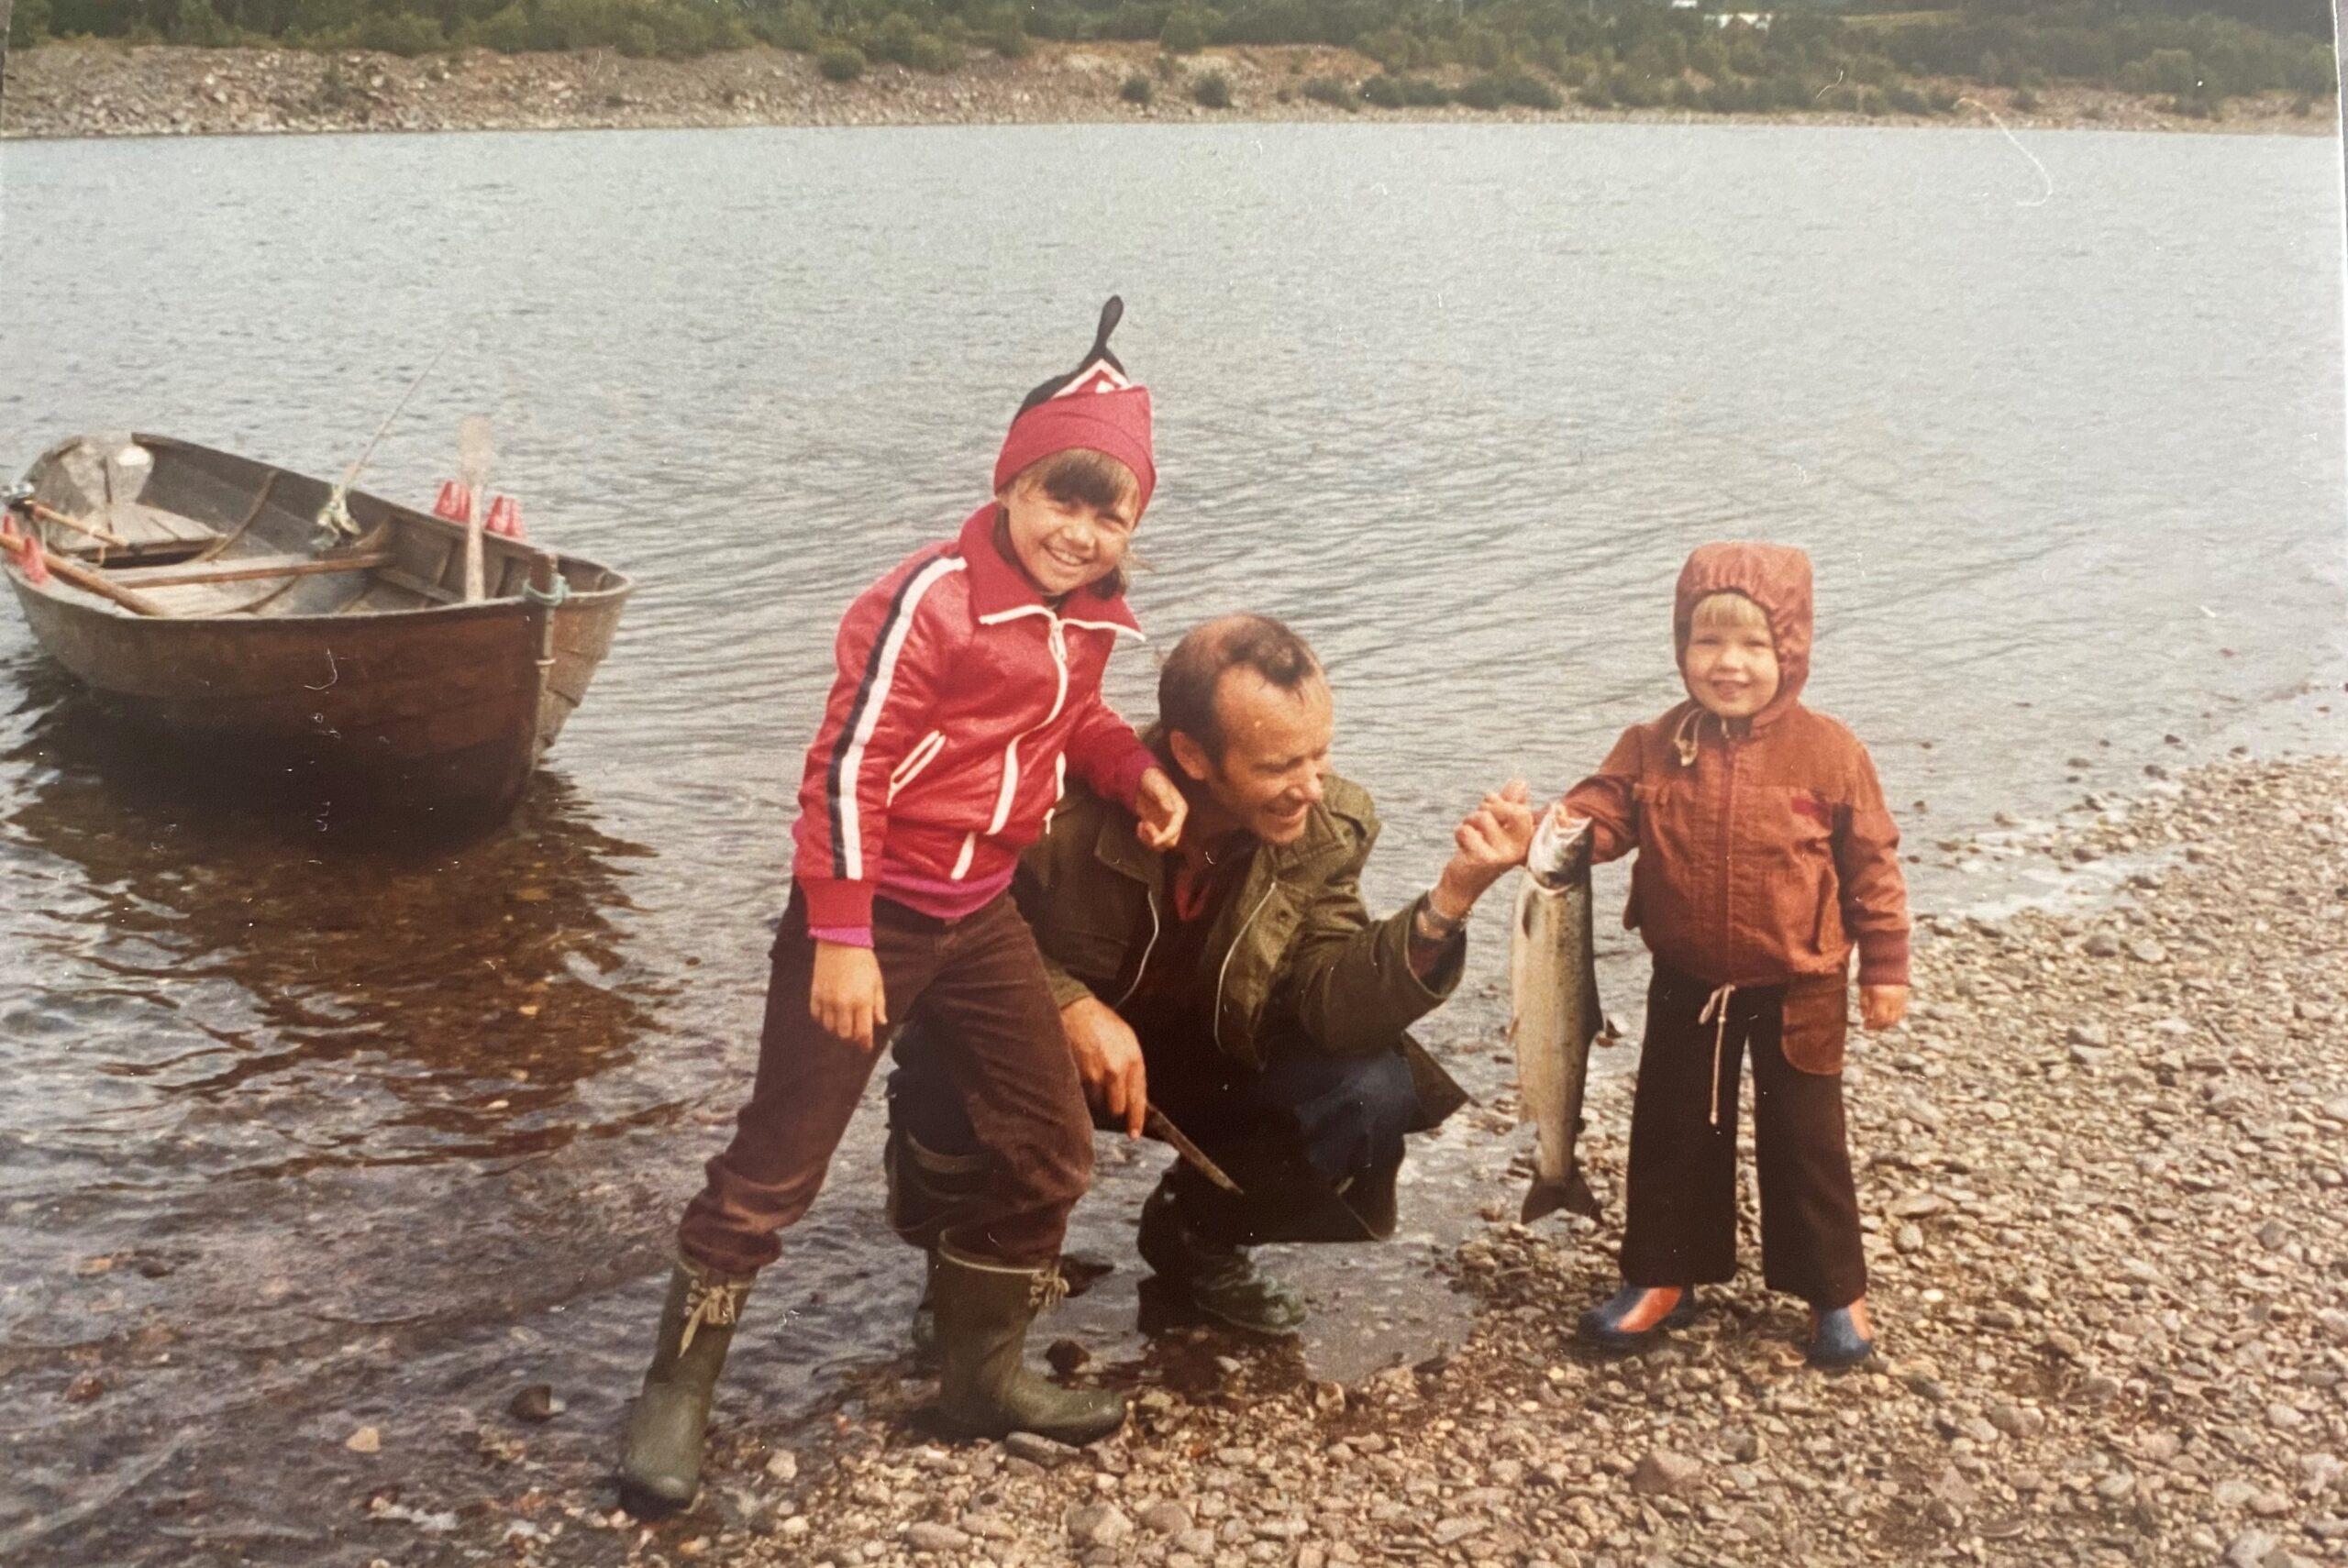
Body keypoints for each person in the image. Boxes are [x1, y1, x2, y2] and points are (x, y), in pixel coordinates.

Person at [619, 300, 1189, 1513]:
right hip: (869, 910)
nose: (1079, 532)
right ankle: (676, 1391)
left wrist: (1131, 771)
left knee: (1051, 1144)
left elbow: (1066, 716)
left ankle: (979, 1375)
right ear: (1009, 486)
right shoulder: (930, 600)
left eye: (1109, 511)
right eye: (1058, 499)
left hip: (982, 916)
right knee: (776, 1167)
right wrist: (835, 931)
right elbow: (843, 769)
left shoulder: (1084, 613)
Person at [885, 613, 1535, 1337]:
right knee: (942, 1055)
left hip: (1204, 1058)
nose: (1312, 789)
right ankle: (967, 1261)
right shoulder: (1053, 804)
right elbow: (934, 926)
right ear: (1191, 755)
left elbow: (1330, 1009)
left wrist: (1449, 902)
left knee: (1368, 1091)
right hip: (1042, 1056)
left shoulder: (1328, 825)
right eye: (1279, 767)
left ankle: (1196, 1238)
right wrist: (1064, 1006)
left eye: (1318, 756)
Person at [1553, 542, 1911, 1369]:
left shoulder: (1830, 752)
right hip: (1688, 981)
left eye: (1755, 646)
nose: (1730, 665)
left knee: (1806, 1141)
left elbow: (1873, 865)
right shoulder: (1652, 743)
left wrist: (1886, 966)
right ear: (1680, 646)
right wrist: (1547, 828)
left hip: (1802, 984)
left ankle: (1834, 1293)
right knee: (1672, 1133)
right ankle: (1664, 1279)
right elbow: (1599, 817)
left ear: (1792, 650)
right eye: (1706, 643)